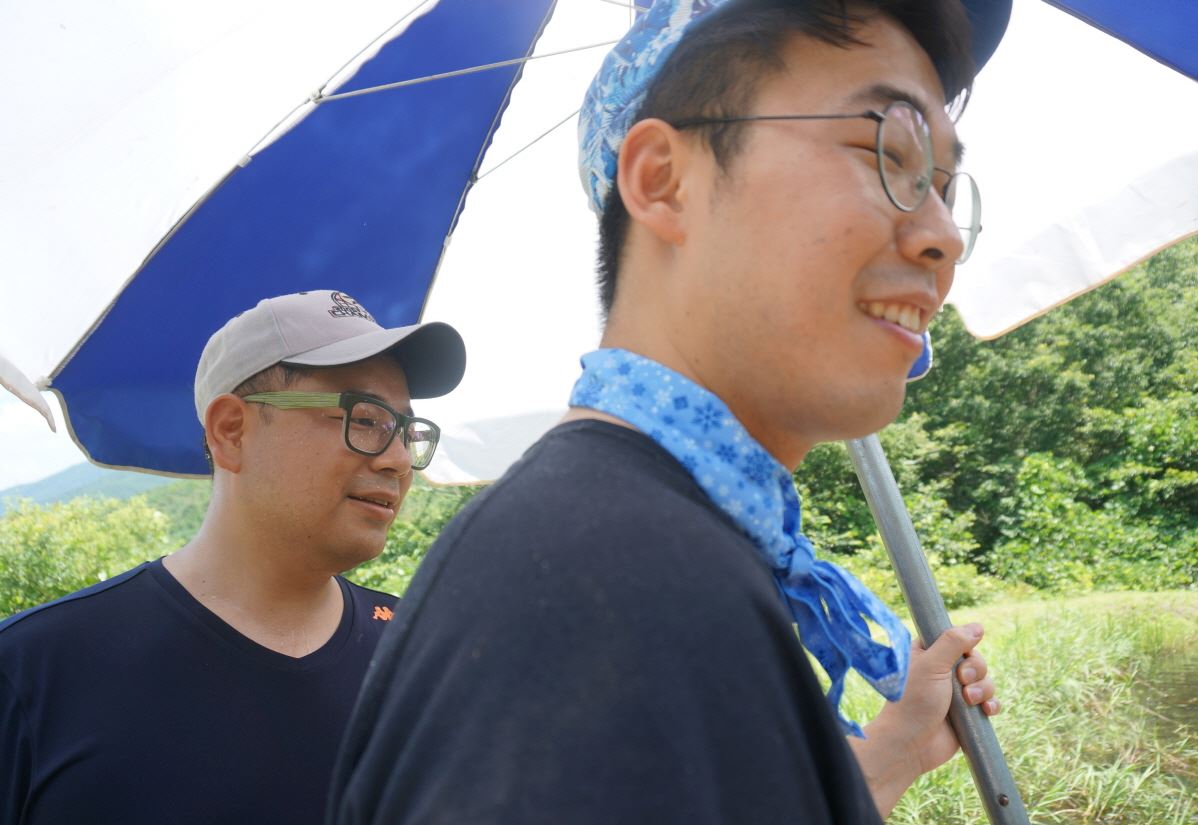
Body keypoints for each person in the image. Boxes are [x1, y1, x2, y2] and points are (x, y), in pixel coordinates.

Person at [329, 1, 1008, 822]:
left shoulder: (656, 552)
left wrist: (895, 749)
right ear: (663, 181)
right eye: (887, 154)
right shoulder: (601, 589)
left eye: (944, 185)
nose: (943, 235)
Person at [0, 290, 465, 824]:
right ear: (231, 431)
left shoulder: (419, 655)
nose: (399, 460)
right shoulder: (35, 673)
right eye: (365, 418)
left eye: (405, 429)